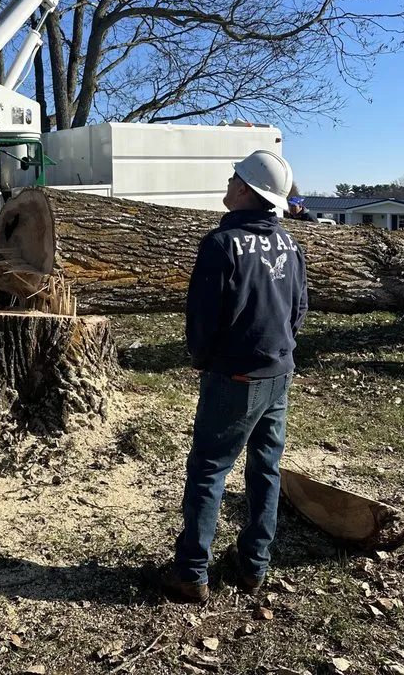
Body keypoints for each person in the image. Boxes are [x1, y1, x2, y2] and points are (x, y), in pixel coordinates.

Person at [158, 150, 308, 604]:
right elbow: (298, 310)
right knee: (266, 468)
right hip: (278, 374)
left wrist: (202, 358)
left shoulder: (221, 245)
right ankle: (253, 566)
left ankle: (191, 572)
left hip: (235, 376)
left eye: (234, 177)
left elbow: (203, 317)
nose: (228, 181)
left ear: (246, 190)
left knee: (209, 469)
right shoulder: (291, 245)